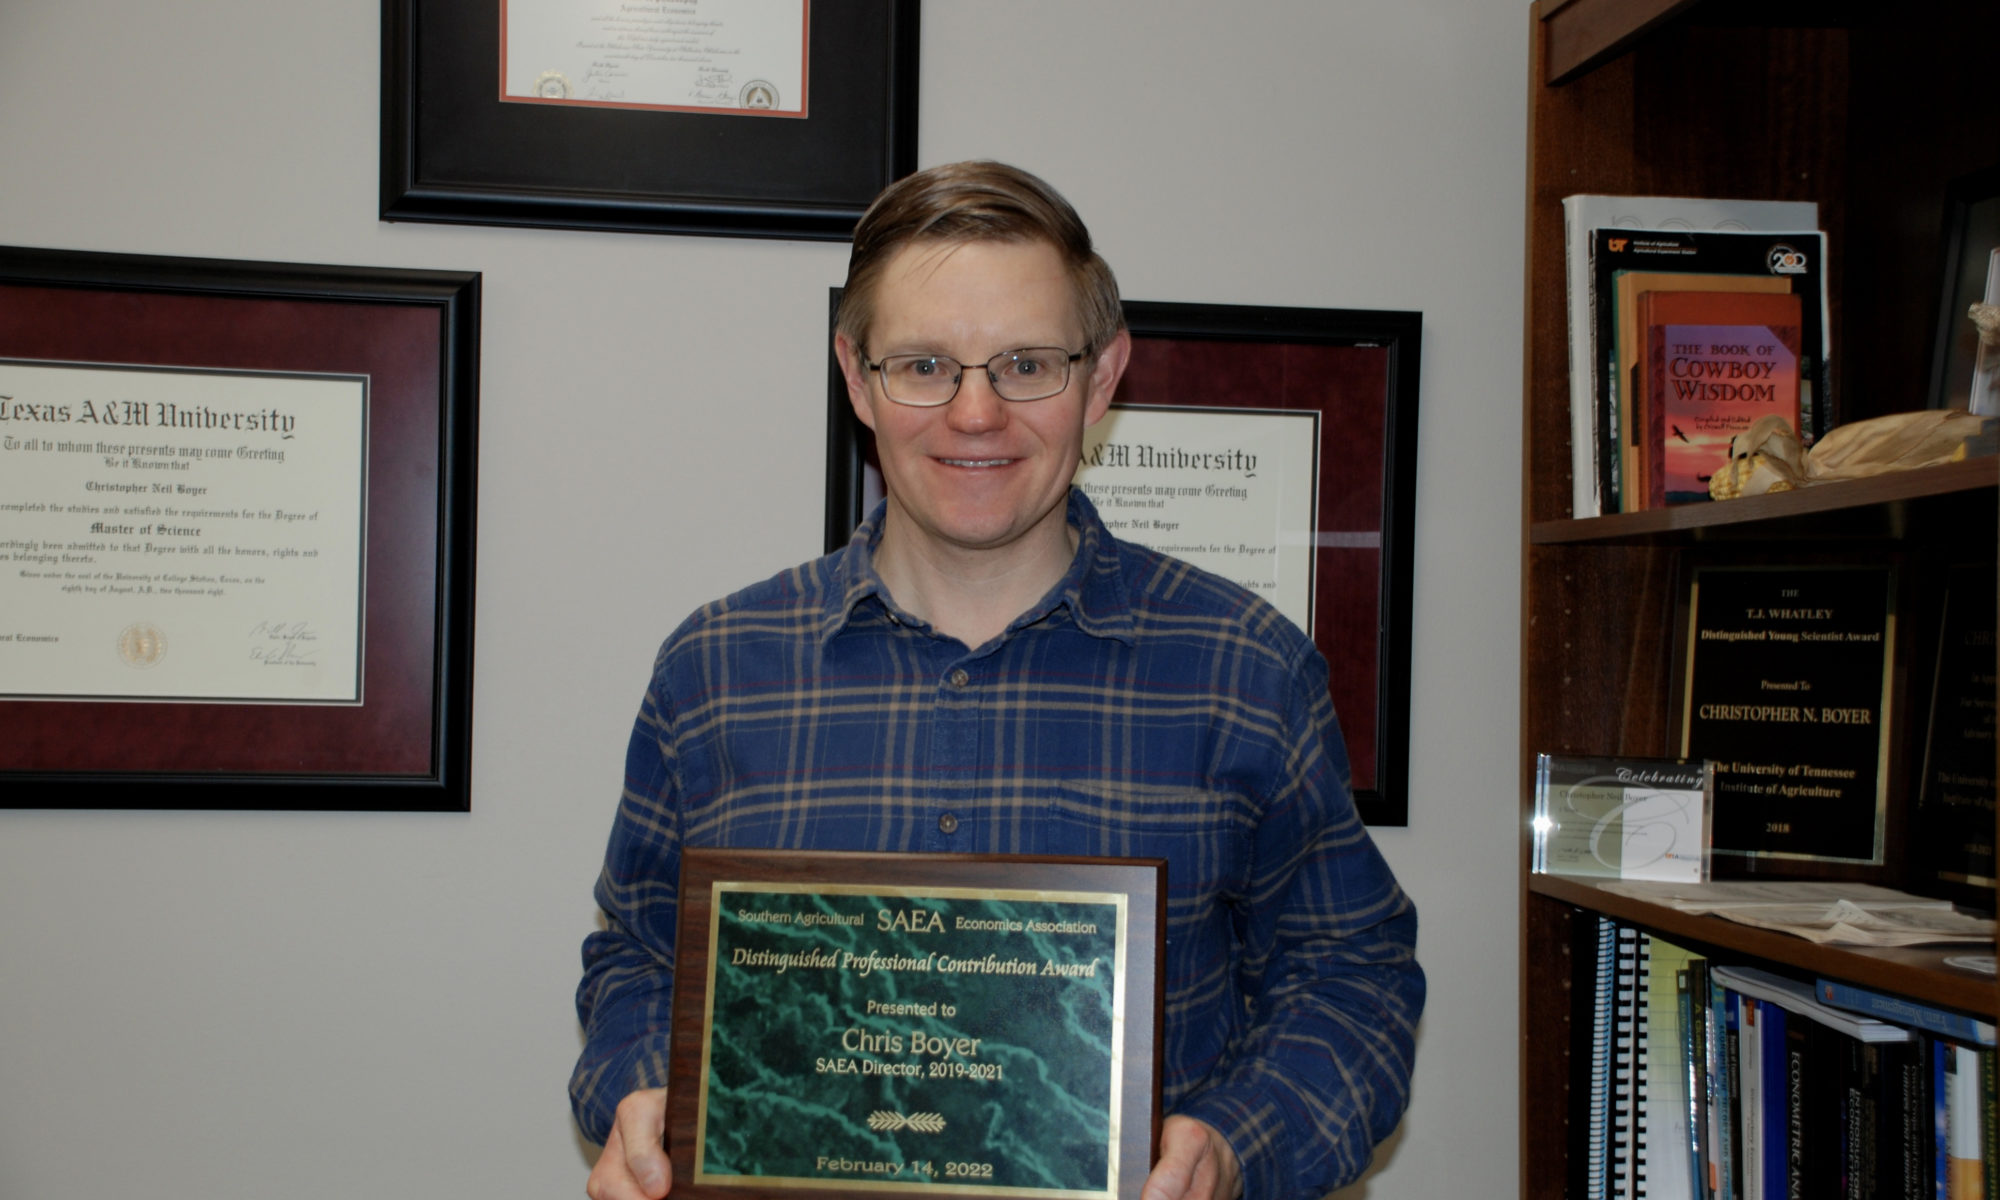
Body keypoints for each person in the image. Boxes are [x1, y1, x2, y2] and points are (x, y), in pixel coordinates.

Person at [571, 160, 1424, 1200]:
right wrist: (639, 1088)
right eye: (924, 364)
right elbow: (635, 958)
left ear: (1101, 378)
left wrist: (1235, 1144)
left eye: (1025, 364)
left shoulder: (1244, 670)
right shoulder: (713, 671)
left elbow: (1351, 977)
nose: (974, 413)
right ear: (855, 377)